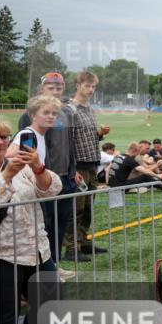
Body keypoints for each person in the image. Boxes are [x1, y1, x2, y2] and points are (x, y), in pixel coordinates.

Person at [0, 119, 62, 324]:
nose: (1, 143)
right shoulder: (10, 171)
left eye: (4, 137)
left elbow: (51, 189)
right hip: (3, 255)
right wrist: (5, 177)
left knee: (49, 305)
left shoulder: (21, 166)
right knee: (4, 317)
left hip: (37, 250)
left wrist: (37, 167)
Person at [17, 73, 83, 263]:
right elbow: (27, 149)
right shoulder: (29, 114)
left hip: (66, 179)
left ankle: (54, 264)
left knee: (60, 225)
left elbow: (70, 145)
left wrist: (74, 170)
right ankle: (42, 266)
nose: (55, 91)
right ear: (42, 89)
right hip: (44, 179)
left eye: (59, 87)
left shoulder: (67, 112)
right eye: (51, 87)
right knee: (44, 225)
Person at [63, 71, 110, 259]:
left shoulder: (89, 109)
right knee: (77, 208)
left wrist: (100, 134)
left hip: (91, 163)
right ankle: (71, 248)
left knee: (88, 208)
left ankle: (83, 242)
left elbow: (87, 137)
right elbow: (66, 141)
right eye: (87, 86)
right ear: (77, 85)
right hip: (78, 166)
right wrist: (72, 169)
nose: (90, 90)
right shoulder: (68, 110)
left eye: (93, 87)